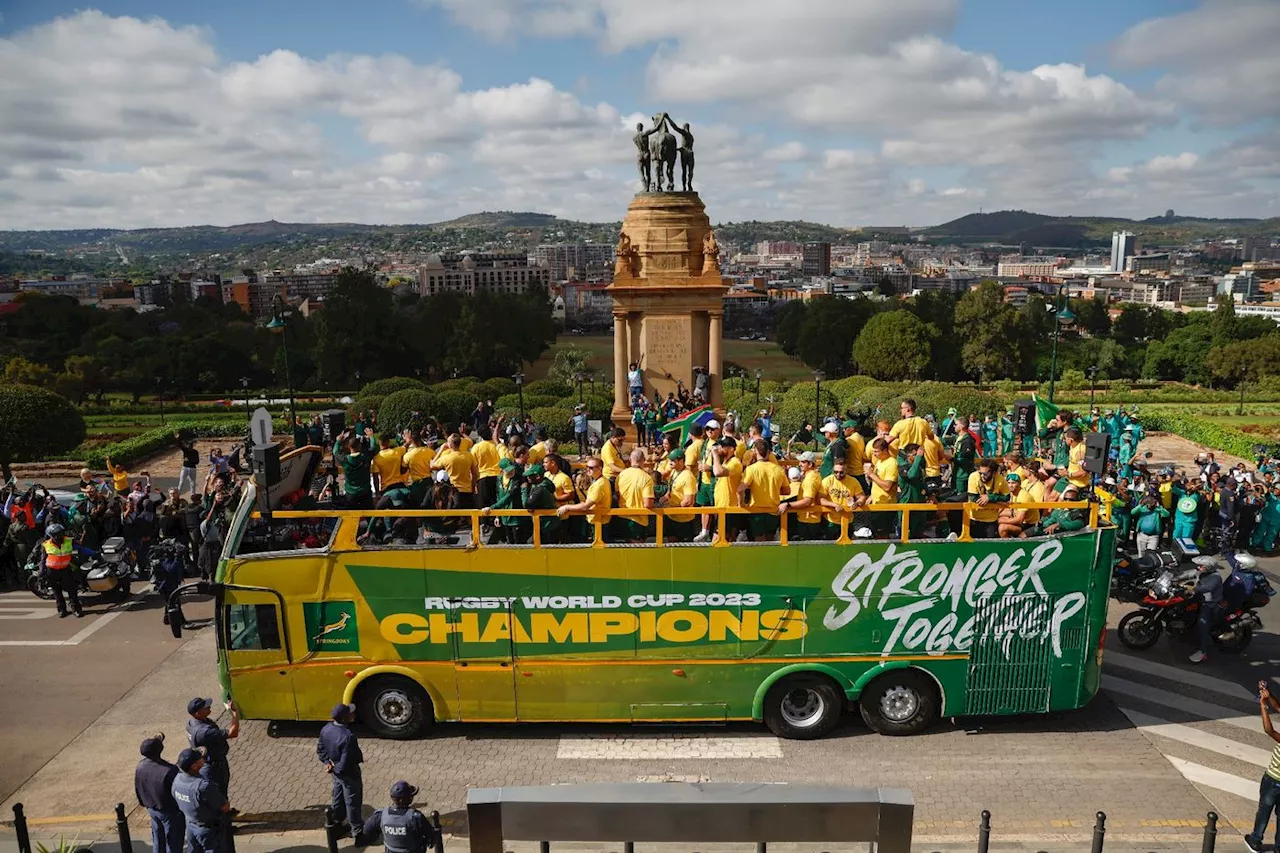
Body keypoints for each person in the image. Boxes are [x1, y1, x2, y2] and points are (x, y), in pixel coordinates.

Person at [318, 703, 365, 840]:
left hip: (335, 771)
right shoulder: (348, 736)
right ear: (345, 718)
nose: (353, 714)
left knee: (337, 798)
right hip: (349, 774)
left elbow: (320, 749)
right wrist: (336, 768)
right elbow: (346, 761)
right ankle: (358, 832)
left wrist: (328, 763)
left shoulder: (326, 729)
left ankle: (336, 826)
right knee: (353, 802)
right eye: (351, 713)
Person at [171, 748, 230, 853]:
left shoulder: (177, 779)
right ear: (194, 766)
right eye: (200, 758)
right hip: (208, 829)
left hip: (191, 825)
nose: (203, 758)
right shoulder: (204, 786)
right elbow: (224, 807)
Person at [135, 734, 184, 853]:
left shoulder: (140, 766)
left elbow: (138, 787)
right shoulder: (170, 770)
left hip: (152, 808)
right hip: (170, 812)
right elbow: (177, 792)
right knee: (174, 842)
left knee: (158, 839)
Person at [361, 781, 439, 853]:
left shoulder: (381, 815)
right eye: (410, 796)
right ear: (402, 800)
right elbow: (431, 837)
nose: (412, 798)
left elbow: (366, 832)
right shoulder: (415, 817)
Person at [186, 697, 239, 798]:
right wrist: (235, 712)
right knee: (219, 791)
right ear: (197, 713)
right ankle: (223, 812)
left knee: (219, 791)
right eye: (205, 707)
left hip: (208, 762)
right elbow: (233, 733)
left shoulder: (191, 724)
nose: (209, 707)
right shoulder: (204, 732)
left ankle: (224, 810)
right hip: (214, 767)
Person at [556, 456, 611, 543]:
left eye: (591, 468)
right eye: (587, 467)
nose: (587, 470)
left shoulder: (599, 485)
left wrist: (567, 507)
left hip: (598, 522)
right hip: (598, 520)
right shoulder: (602, 480)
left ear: (600, 468)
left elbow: (585, 506)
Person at [740, 440, 786, 541]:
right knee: (770, 539)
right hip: (774, 511)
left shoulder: (751, 469)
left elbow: (740, 489)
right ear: (769, 452)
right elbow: (787, 490)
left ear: (756, 451)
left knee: (759, 540)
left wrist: (742, 504)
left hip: (757, 511)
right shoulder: (778, 469)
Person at [41, 523, 83, 618]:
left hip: (65, 570)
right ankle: (62, 610)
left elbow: (81, 548)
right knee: (57, 592)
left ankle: (76, 609)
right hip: (52, 572)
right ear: (53, 536)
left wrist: (94, 553)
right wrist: (42, 573)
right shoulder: (46, 545)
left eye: (61, 533)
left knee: (72, 590)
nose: (61, 536)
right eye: (59, 534)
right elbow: (43, 560)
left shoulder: (69, 541)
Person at [1190, 555, 1226, 664]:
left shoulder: (1215, 577)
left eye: (1201, 566)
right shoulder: (1202, 572)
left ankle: (1203, 651)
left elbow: (1205, 588)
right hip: (1200, 599)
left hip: (1210, 604)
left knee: (1202, 623)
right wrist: (1175, 578)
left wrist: (1192, 589)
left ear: (1208, 567)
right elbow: (1188, 574)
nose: (1198, 568)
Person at [615, 448, 656, 542]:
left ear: (630, 460)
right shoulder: (646, 478)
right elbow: (648, 504)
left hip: (622, 517)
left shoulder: (621, 475)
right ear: (644, 460)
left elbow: (618, 495)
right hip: (638, 520)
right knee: (637, 548)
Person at [820, 459, 866, 540]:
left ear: (846, 470)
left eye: (841, 472)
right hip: (831, 520)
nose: (838, 474)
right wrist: (834, 505)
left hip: (848, 520)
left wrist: (857, 503)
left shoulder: (853, 481)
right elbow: (820, 499)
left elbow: (861, 497)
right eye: (835, 472)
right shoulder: (828, 480)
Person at [863, 438, 899, 538]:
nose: (874, 454)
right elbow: (877, 480)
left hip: (886, 505)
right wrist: (872, 495)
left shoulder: (891, 463)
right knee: (875, 531)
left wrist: (871, 475)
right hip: (877, 502)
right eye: (873, 451)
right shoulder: (880, 462)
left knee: (882, 534)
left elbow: (887, 486)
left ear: (885, 450)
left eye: (876, 451)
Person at [966, 459, 1010, 539]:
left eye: (985, 474)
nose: (982, 476)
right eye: (981, 473)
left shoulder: (1000, 479)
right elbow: (973, 498)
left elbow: (1007, 497)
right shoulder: (973, 476)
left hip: (991, 520)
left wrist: (990, 497)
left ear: (993, 473)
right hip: (975, 518)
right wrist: (997, 500)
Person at [660, 450, 698, 542]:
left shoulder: (688, 477)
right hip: (672, 517)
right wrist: (665, 497)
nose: (670, 463)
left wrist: (672, 507)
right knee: (672, 543)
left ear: (681, 461)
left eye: (673, 461)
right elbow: (672, 487)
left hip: (683, 520)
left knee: (685, 546)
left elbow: (688, 501)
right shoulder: (674, 472)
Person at [997, 473, 1039, 538]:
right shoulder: (1012, 493)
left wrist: (998, 521)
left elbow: (1019, 520)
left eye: (1013, 483)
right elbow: (1011, 511)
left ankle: (1008, 546)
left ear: (1019, 484)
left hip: (1029, 525)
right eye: (1008, 483)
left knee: (1002, 527)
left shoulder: (1023, 496)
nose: (1010, 485)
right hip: (1021, 522)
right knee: (1000, 518)